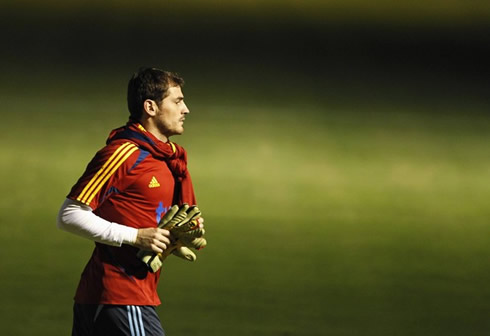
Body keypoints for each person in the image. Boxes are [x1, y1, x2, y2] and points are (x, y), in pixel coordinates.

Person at [57, 67, 200, 336]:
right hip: (120, 294)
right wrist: (136, 236)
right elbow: (69, 215)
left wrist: (173, 239)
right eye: (177, 101)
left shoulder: (168, 159)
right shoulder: (124, 153)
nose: (186, 110)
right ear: (150, 107)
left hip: (114, 296)